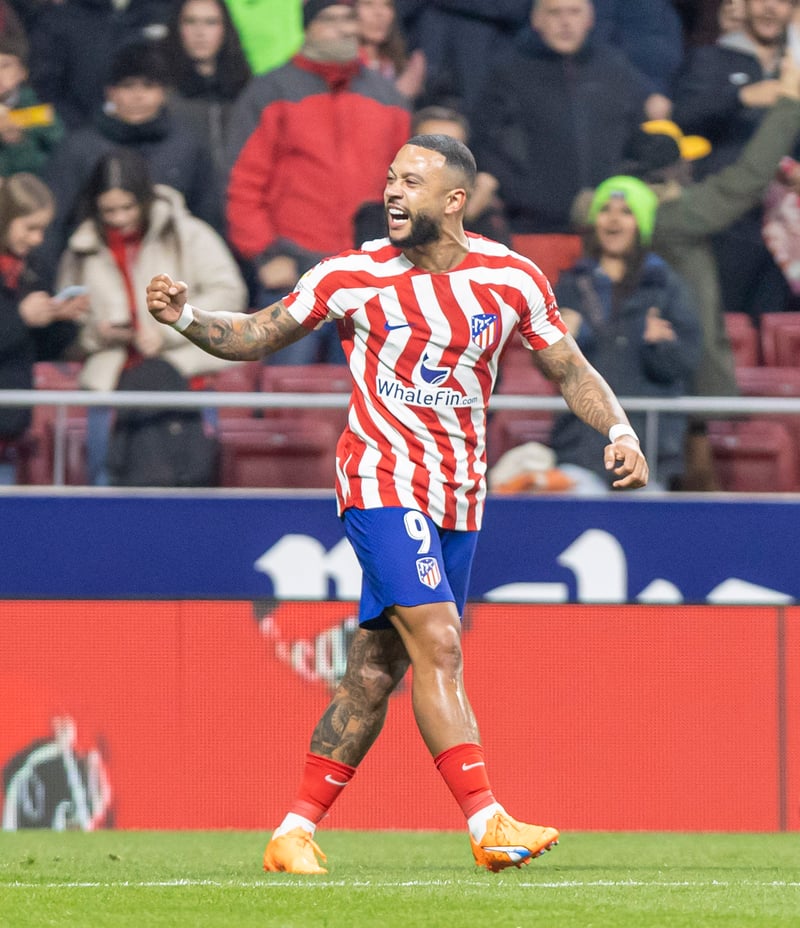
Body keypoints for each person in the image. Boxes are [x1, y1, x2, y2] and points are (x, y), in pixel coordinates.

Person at [146, 133, 649, 872]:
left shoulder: (512, 279)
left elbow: (569, 368)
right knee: (441, 642)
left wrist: (621, 430)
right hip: (380, 481)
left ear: (455, 200)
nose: (392, 191)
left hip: (459, 494)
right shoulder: (351, 275)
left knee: (375, 671)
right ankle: (487, 823)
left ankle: (292, 833)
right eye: (391, 178)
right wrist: (188, 319)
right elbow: (257, 334)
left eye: (411, 182)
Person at [224, 0, 411, 363]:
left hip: (370, 278)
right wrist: (265, 255)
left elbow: (408, 189)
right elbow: (242, 184)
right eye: (330, 19)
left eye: (349, 19)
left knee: (366, 392)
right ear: (307, 27)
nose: (344, 28)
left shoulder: (390, 98)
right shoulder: (268, 92)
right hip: (293, 275)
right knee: (287, 390)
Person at [56, 149, 246, 485]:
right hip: (111, 387)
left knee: (193, 480)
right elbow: (69, 320)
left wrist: (171, 328)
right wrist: (98, 334)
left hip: (186, 377)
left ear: (145, 199)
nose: (119, 218)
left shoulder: (189, 234)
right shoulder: (81, 248)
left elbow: (229, 294)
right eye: (109, 211)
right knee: (105, 480)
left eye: (127, 208)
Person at [552, 175, 701, 492]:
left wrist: (660, 345)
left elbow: (686, 362)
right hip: (581, 448)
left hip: (647, 452)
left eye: (627, 212)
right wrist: (561, 343)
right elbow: (550, 366)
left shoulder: (666, 285)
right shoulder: (572, 284)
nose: (614, 219)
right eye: (605, 209)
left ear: (642, 223)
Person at [40, 39, 222, 286]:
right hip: (97, 280)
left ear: (164, 92)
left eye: (148, 85)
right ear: (110, 92)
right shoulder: (78, 149)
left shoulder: (188, 146)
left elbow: (209, 219)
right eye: (127, 86)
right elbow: (52, 224)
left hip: (175, 280)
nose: (138, 96)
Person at [469, 0, 652, 236]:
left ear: (590, 19)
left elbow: (638, 142)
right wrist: (519, 194)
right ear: (536, 20)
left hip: (604, 230)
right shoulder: (506, 73)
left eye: (574, 12)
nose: (565, 22)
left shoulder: (617, 70)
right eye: (554, 13)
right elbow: (485, 144)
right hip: (530, 228)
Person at [671, 0, 798, 318]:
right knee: (725, 322)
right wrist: (741, 97)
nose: (770, 8)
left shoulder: (794, 67)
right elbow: (682, 117)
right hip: (725, 224)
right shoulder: (711, 58)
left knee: (779, 328)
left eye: (782, 1)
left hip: (785, 226)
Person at [0, 173, 87, 483]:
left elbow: (41, 347)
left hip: (10, 428)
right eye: (30, 228)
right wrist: (20, 317)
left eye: (43, 229)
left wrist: (60, 319)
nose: (38, 239)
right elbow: (16, 325)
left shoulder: (33, 269)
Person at [161, 0, 252, 189]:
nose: (200, 32)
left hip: (239, 195)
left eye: (211, 22)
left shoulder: (247, 92)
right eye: (190, 21)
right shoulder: (162, 93)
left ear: (225, 29)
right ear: (177, 28)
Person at [0, 32, 64, 178]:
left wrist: (17, 143)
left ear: (22, 72)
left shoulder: (39, 115)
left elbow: (55, 166)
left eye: (5, 66)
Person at [355, 0, 426, 101]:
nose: (379, 13)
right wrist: (399, 94)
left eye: (387, 5)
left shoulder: (399, 65)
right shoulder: (345, 66)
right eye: (368, 4)